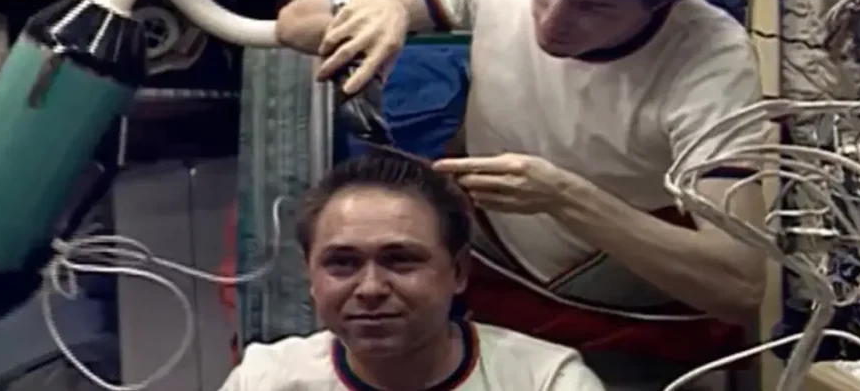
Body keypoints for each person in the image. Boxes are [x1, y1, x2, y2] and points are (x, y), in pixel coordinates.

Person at [274, 0, 767, 389]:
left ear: (665, 3)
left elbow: (738, 282)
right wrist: (391, 4)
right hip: (490, 279)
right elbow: (293, 24)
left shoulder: (710, 62)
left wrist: (564, 197)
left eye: (594, 9)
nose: (552, 19)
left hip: (625, 317)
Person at [220, 153, 606, 391]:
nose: (370, 288)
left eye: (400, 259)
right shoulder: (264, 380)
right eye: (342, 263)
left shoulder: (544, 380)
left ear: (458, 272)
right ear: (310, 276)